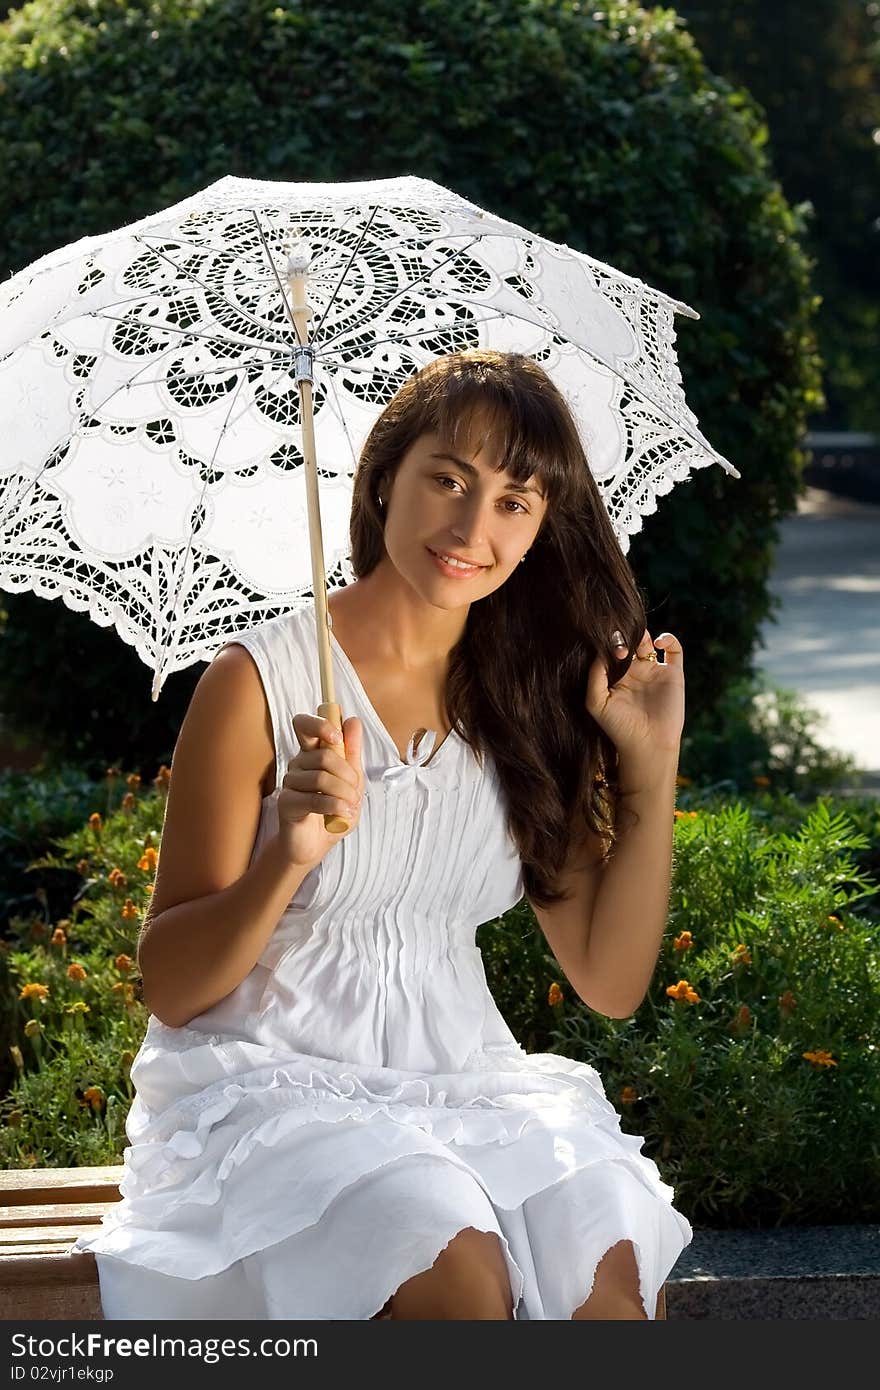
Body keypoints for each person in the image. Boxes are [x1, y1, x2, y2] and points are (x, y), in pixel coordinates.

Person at [73, 348, 693, 1320]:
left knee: (602, 1255)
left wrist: (648, 775)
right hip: (269, 1088)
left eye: (513, 502)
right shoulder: (257, 686)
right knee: (451, 1267)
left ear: (537, 530)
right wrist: (288, 853)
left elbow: (608, 983)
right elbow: (174, 984)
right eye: (447, 478)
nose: (470, 526)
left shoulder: (530, 696)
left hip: (460, 1081)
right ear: (382, 479)